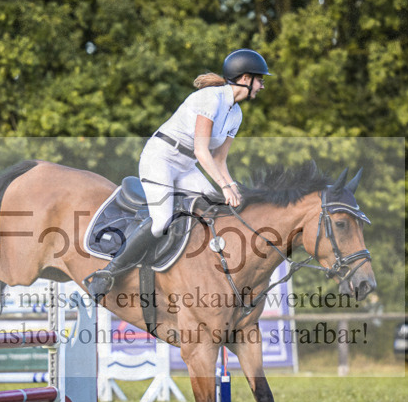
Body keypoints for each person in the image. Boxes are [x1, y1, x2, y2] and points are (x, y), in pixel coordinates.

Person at [86, 49, 270, 299]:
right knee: (161, 220)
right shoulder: (211, 99)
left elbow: (219, 159)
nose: (262, 86)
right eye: (260, 79)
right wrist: (224, 187)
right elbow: (201, 150)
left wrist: (232, 186)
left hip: (185, 165)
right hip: (161, 157)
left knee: (215, 207)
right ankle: (108, 273)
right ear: (245, 78)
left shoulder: (236, 113)